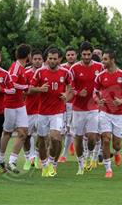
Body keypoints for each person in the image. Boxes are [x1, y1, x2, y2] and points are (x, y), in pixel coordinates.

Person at [29, 48, 72, 177]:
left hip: (58, 112)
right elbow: (30, 89)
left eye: (55, 58)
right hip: (42, 112)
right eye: (50, 58)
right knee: (42, 140)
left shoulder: (65, 73)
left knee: (55, 138)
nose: (52, 61)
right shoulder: (39, 73)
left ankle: (53, 164)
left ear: (59, 59)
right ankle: (45, 164)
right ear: (47, 59)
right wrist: (40, 89)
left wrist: (66, 95)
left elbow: (71, 88)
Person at [94, 50, 122, 178]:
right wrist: (98, 100)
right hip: (104, 112)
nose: (102, 61)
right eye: (102, 59)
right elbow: (95, 92)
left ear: (112, 60)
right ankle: (108, 169)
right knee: (105, 139)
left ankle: (116, 152)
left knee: (117, 144)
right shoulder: (100, 76)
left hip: (119, 114)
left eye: (105, 59)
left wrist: (121, 101)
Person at [70, 41, 104, 175]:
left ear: (92, 53)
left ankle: (89, 155)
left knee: (92, 137)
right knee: (77, 138)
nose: (86, 57)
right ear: (80, 54)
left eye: (88, 54)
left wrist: (101, 96)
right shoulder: (74, 69)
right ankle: (80, 164)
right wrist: (78, 92)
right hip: (78, 108)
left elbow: (104, 84)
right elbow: (70, 87)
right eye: (84, 54)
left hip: (93, 108)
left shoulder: (100, 67)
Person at [0, 44, 31, 173]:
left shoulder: (22, 67)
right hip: (10, 105)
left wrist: (24, 87)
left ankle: (12, 161)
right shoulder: (16, 67)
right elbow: (12, 84)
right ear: (28, 55)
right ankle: (0, 159)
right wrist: (25, 87)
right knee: (7, 132)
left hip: (20, 105)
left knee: (23, 133)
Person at [22, 49, 43, 170]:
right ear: (31, 60)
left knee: (41, 136)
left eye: (39, 59)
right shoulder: (26, 73)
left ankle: (36, 156)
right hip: (28, 110)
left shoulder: (46, 72)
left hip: (42, 111)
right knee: (25, 136)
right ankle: (27, 158)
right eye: (35, 59)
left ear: (42, 60)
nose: (37, 61)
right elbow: (24, 90)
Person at [58, 46, 77, 163]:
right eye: (68, 55)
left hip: (75, 103)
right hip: (62, 103)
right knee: (61, 130)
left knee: (71, 130)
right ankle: (59, 154)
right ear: (66, 56)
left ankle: (64, 155)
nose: (70, 56)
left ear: (76, 56)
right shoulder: (62, 68)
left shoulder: (78, 68)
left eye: (72, 54)